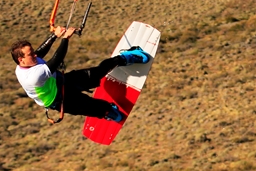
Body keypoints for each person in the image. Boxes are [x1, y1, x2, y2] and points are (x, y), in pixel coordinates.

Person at [12, 26, 152, 123]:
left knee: (96, 73)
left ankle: (125, 58)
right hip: (57, 100)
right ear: (21, 59)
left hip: (61, 81)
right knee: (89, 107)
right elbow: (57, 59)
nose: (36, 54)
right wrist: (65, 38)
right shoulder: (33, 76)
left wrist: (54, 36)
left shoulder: (29, 61)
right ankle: (107, 111)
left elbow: (40, 52)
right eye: (31, 54)